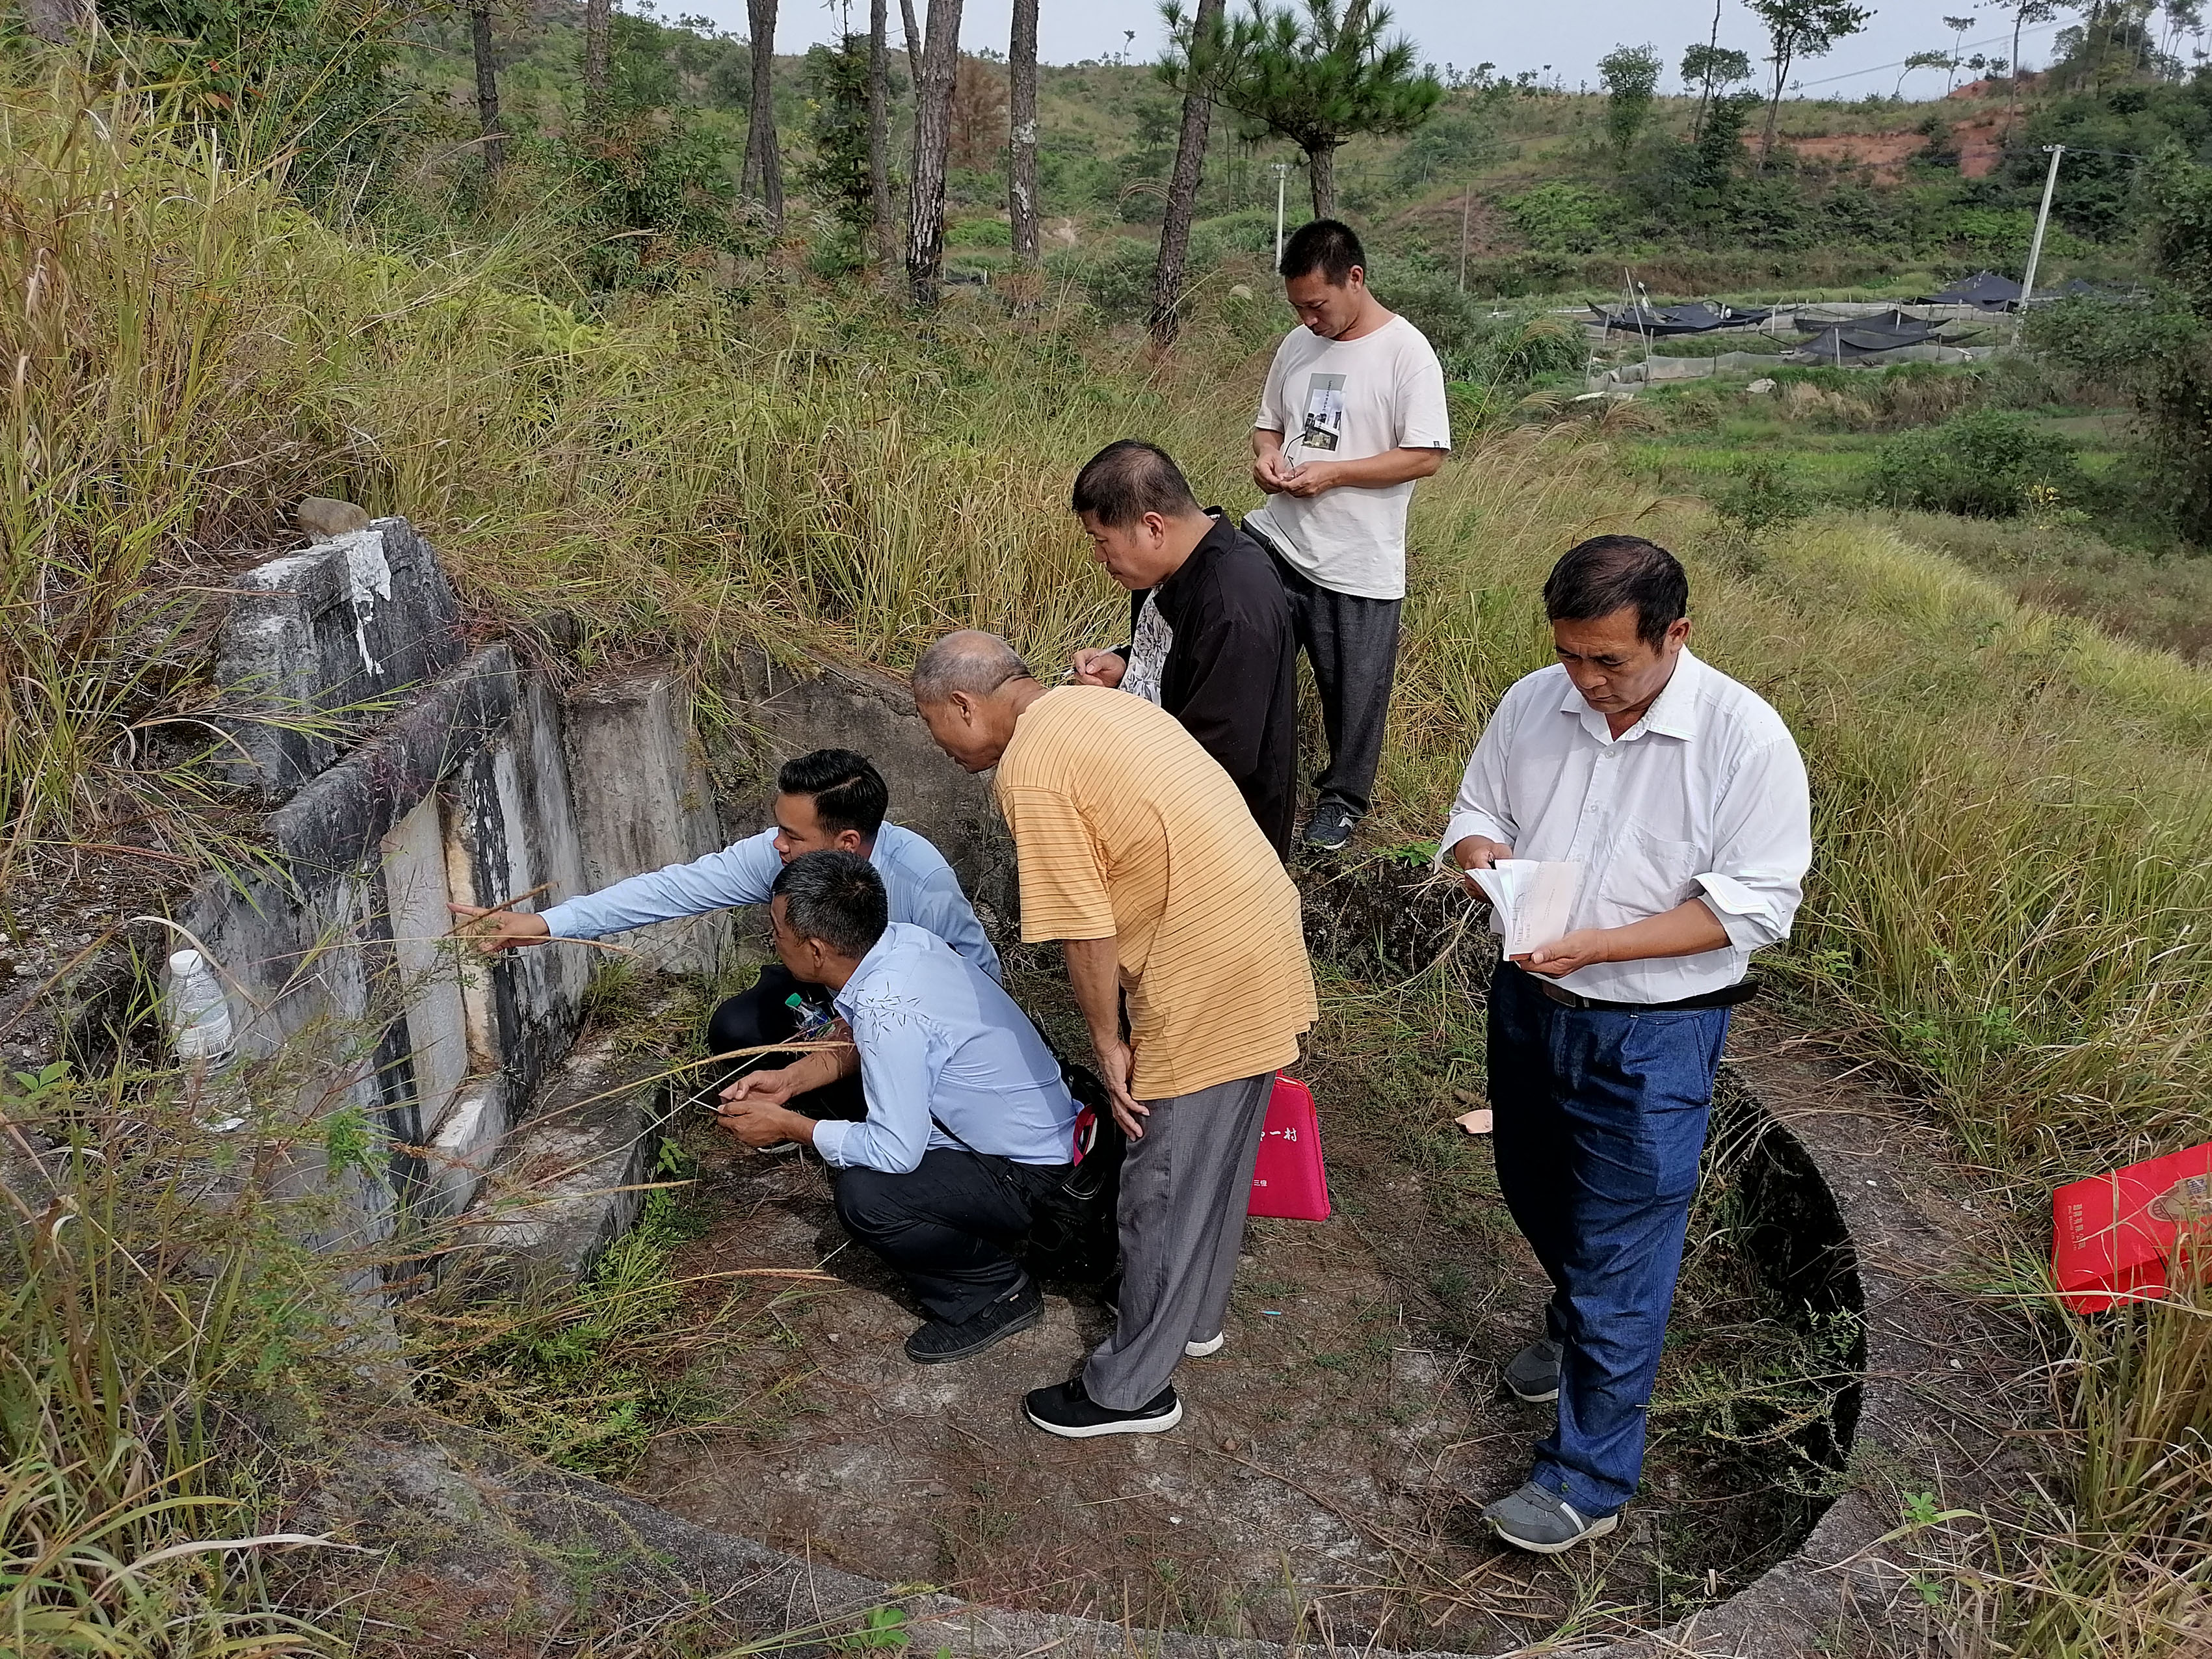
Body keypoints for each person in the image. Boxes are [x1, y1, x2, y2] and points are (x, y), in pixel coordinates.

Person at [1436, 536, 1813, 1554]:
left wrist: (1602, 945)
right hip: (1528, 1003)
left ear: (1674, 635)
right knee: (1532, 1182)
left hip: (1652, 1034)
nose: (1588, 682)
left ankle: (1585, 1477)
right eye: (1571, 655)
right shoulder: (1532, 703)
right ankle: (1575, 1327)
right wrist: (1483, 857)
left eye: (1611, 661)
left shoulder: (1744, 738)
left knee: (1621, 1245)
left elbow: (1752, 904)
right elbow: (1477, 809)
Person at [911, 631, 1318, 1440]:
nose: (943, 747)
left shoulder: (1032, 770)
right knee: (1220, 1152)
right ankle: (1190, 1317)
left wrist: (1109, 1043)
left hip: (1203, 967)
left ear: (965, 704)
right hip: (1262, 931)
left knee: (1158, 1181)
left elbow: (1085, 928)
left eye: (936, 728)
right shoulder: (1100, 706)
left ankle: (1132, 1389)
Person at [451, 749, 997, 1129]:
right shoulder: (778, 852)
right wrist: (547, 925)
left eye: (793, 834)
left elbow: (977, 983)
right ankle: (809, 1110)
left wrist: (872, 1035)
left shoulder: (921, 882)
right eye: (777, 827)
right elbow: (674, 890)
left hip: (905, 1022)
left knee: (893, 1082)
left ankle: (859, 1129)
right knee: (737, 1028)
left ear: (848, 841)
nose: (777, 844)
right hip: (827, 998)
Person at [714, 851, 1081, 1364]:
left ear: (817, 949)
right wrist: (788, 1081)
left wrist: (789, 1126)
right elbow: (860, 1044)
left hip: (1033, 1174)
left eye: (776, 930)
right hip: (1041, 1134)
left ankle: (995, 1291)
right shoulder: (903, 945)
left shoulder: (889, 1010)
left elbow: (895, 1152)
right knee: (855, 1133)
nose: (771, 938)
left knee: (868, 1196)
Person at [1245, 218, 1452, 853]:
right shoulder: (1296, 345)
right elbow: (1268, 424)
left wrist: (1336, 474)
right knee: (1242, 651)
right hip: (1278, 539)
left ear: (1354, 279)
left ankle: (1341, 801)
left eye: (1317, 305)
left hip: (1358, 561)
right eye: (1299, 307)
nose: (1309, 320)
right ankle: (1244, 772)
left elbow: (1426, 455)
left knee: (1354, 697)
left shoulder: (1406, 354)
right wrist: (1267, 457)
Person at [1066, 440, 1298, 857]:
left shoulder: (1235, 604)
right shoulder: (1164, 567)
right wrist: (1123, 665)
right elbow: (1174, 657)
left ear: (1153, 528)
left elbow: (1216, 758)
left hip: (1221, 841)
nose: (1098, 557)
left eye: (1101, 540)